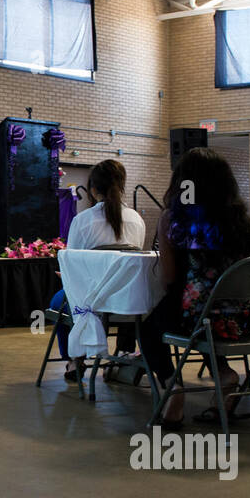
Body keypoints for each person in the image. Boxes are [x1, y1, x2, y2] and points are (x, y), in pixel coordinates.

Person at [139, 148, 250, 428]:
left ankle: (173, 388)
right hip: (241, 318)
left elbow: (168, 277)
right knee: (206, 319)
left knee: (149, 329)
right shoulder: (242, 222)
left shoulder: (173, 219)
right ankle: (226, 374)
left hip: (197, 315)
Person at [49, 159, 147, 381]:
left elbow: (72, 267)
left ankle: (75, 361)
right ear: (121, 186)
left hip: (91, 301)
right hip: (128, 301)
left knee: (59, 302)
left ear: (93, 189)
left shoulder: (83, 221)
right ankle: (123, 354)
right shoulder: (137, 220)